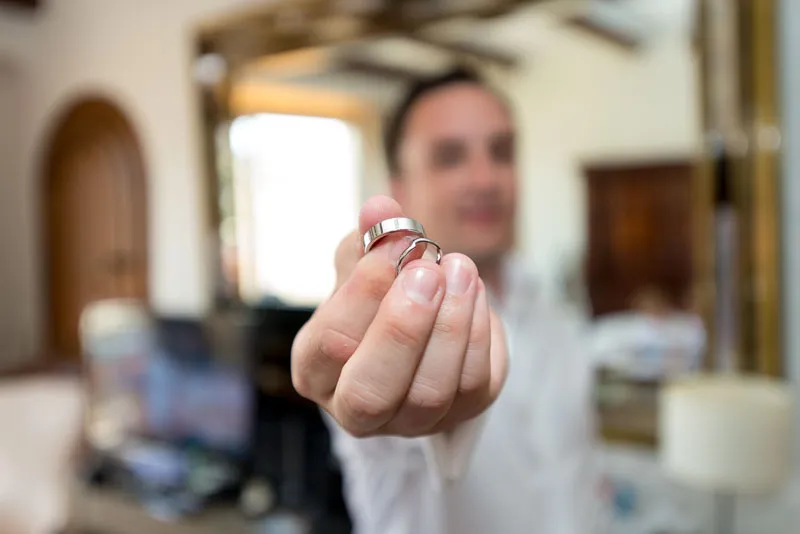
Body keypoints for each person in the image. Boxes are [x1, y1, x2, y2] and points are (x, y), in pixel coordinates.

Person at [291, 67, 606, 534]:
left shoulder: (554, 308)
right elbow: (389, 429)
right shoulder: (387, 322)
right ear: (399, 187)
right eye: (450, 157)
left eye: (501, 151)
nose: (486, 179)